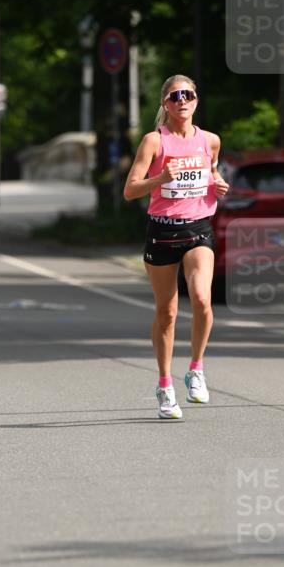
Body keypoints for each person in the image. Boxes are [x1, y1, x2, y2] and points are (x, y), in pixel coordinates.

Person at [123, 74, 229, 420]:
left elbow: (211, 174)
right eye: (174, 96)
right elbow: (131, 190)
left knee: (201, 298)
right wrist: (160, 180)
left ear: (196, 100)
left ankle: (196, 368)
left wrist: (219, 183)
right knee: (167, 311)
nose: (182, 100)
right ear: (165, 105)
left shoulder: (210, 140)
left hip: (198, 229)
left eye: (188, 95)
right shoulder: (154, 141)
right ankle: (165, 385)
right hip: (163, 231)